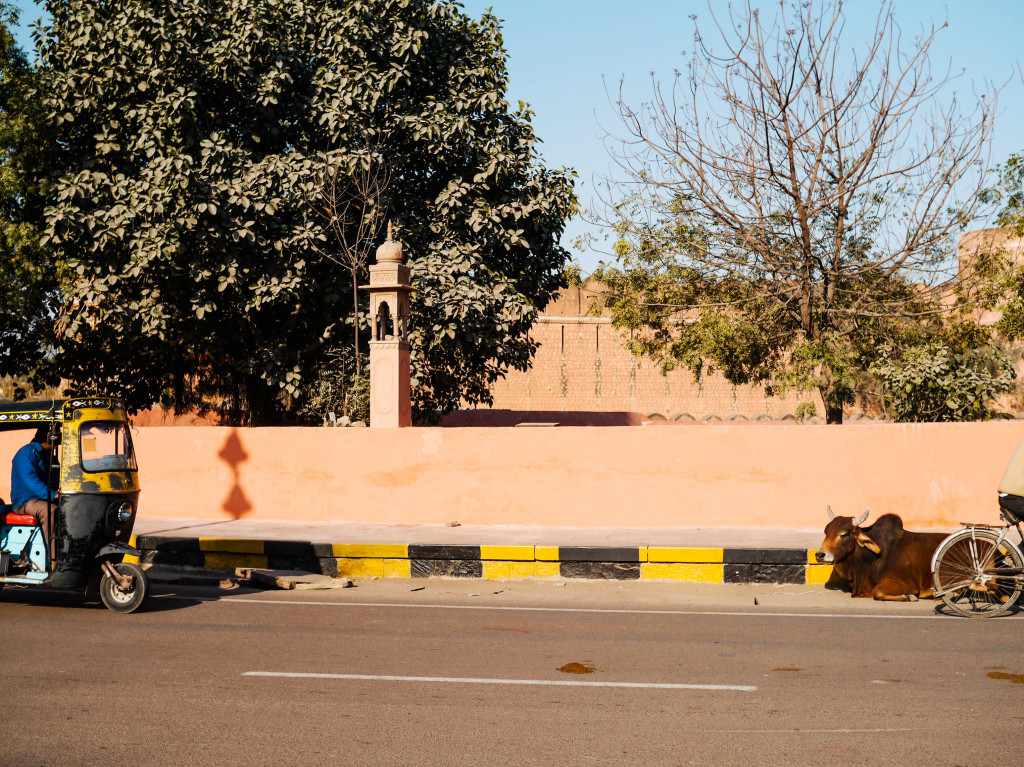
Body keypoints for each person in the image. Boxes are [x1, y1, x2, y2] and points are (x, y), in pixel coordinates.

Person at [10, 424, 58, 561]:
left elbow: (57, 477)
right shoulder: (26, 453)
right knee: (51, 511)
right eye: (55, 436)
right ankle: (54, 560)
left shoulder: (49, 456)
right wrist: (53, 495)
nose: (57, 441)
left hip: (43, 498)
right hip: (25, 501)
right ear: (46, 437)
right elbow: (30, 481)